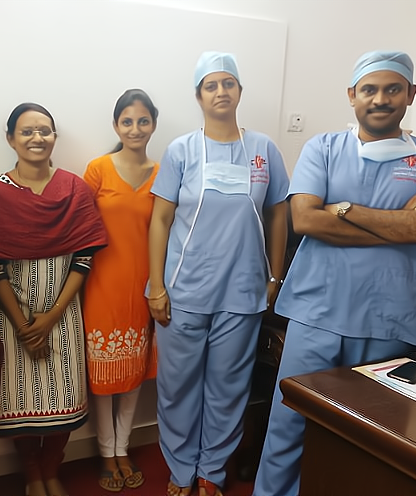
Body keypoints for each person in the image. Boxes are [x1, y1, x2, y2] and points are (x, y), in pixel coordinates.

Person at [253, 50, 416, 496]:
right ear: (352, 95)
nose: (380, 99)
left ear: (410, 94)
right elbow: (305, 219)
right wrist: (399, 227)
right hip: (317, 315)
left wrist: (344, 208)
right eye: (369, 89)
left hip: (387, 321)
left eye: (392, 89)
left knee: (369, 438)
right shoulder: (323, 148)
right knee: (289, 426)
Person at [148, 52, 289, 496]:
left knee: (228, 388)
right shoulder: (181, 150)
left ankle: (211, 470)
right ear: (199, 96)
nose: (221, 92)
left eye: (228, 83)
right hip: (184, 290)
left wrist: (275, 277)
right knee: (177, 387)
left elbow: (279, 214)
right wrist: (156, 286)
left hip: (243, 291)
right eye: (211, 85)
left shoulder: (264, 149)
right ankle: (180, 469)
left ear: (240, 91)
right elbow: (160, 220)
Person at [0, 103, 107, 496]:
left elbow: (84, 258)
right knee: (19, 399)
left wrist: (51, 317)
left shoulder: (74, 189)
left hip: (63, 312)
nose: (37, 138)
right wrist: (26, 327)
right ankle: (32, 474)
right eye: (27, 131)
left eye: (44, 130)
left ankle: (51, 470)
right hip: (12, 316)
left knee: (66, 395)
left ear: (55, 137)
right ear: (10, 139)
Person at [83, 89, 160, 492]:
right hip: (101, 285)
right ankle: (105, 452)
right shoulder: (98, 169)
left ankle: (123, 448)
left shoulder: (163, 173)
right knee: (103, 376)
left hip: (144, 287)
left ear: (153, 124)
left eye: (143, 121)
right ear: (116, 125)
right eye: (127, 121)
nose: (135, 129)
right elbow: (80, 228)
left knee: (132, 376)